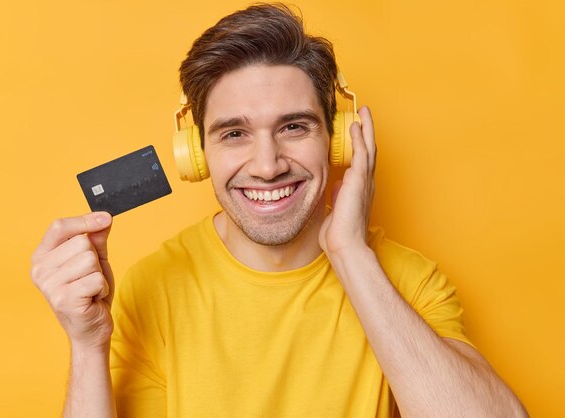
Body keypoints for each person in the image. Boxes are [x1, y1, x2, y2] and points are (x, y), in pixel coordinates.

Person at [30, 4, 528, 417]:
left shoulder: (407, 281)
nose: (267, 166)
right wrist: (88, 345)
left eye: (294, 127)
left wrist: (349, 252)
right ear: (198, 156)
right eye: (234, 133)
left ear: (338, 141)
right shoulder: (152, 288)